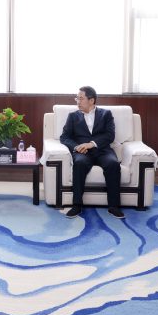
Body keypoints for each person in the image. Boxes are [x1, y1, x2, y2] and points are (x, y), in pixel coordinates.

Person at [60, 86, 124, 220]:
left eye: (81, 99)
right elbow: (64, 137)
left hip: (102, 150)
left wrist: (92, 144)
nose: (77, 102)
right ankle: (77, 205)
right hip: (82, 152)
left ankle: (114, 206)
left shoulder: (106, 114)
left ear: (91, 100)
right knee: (79, 164)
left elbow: (110, 135)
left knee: (113, 164)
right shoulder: (73, 116)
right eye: (77, 99)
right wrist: (77, 147)